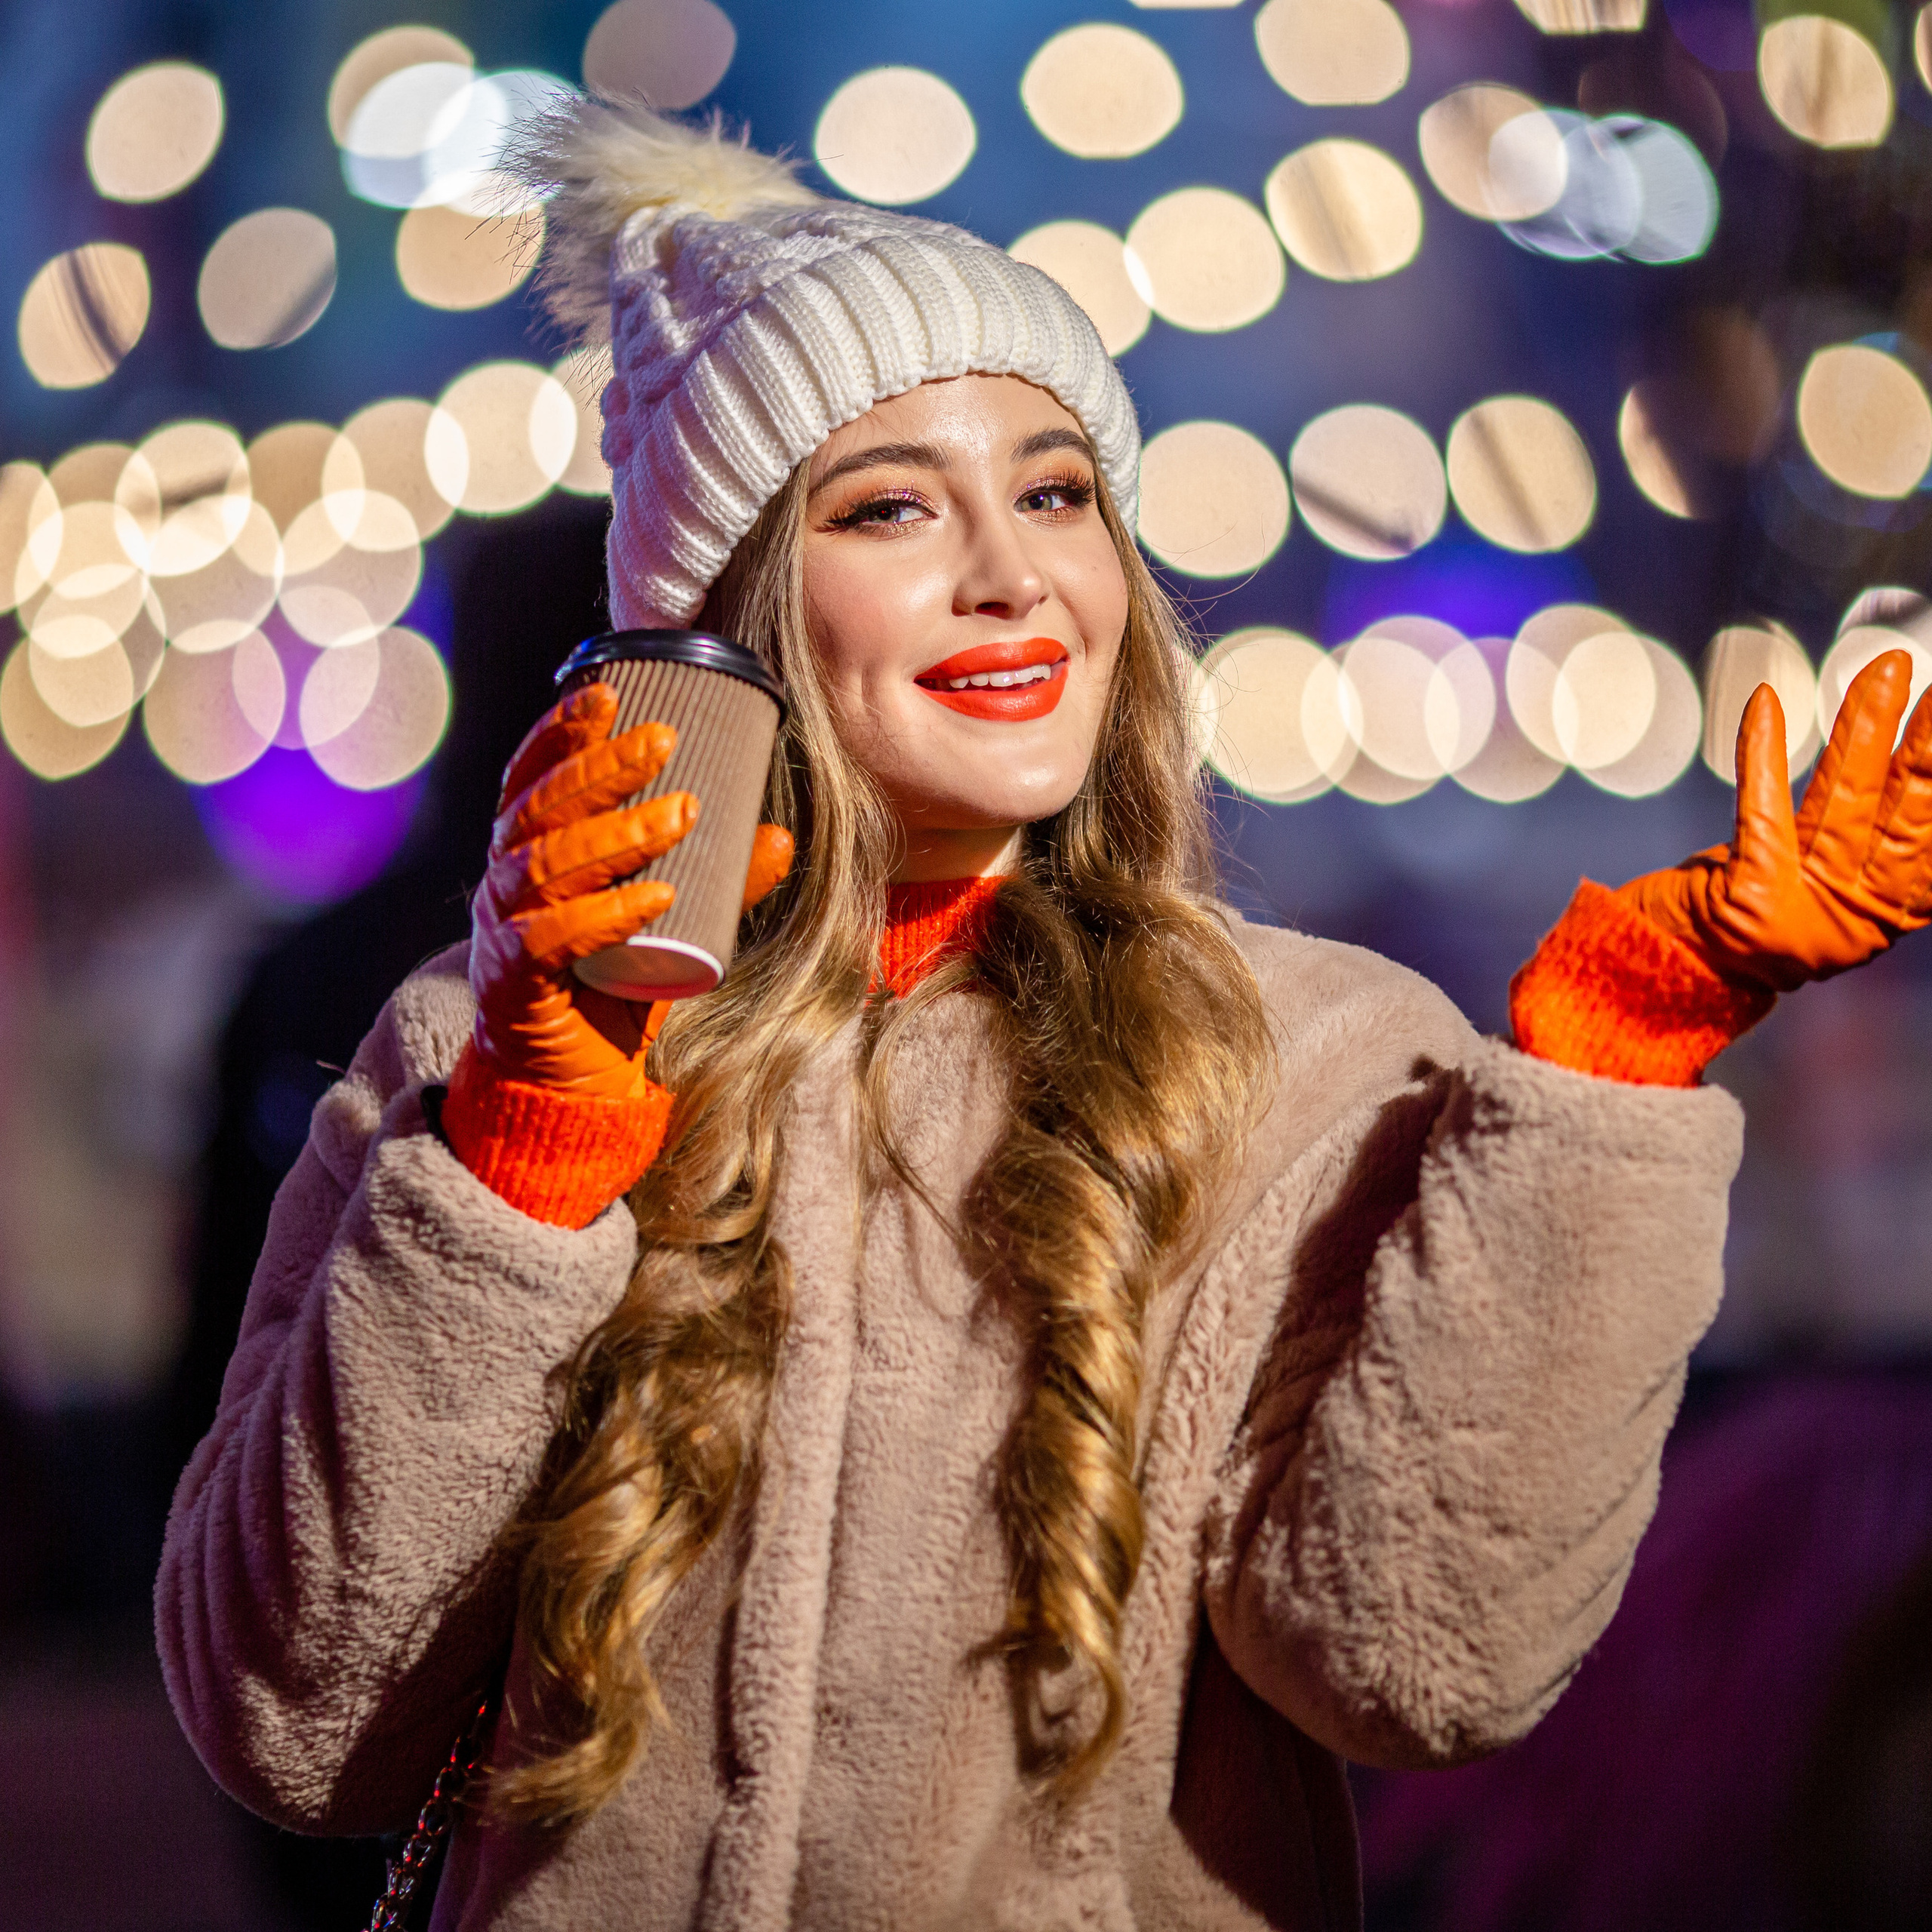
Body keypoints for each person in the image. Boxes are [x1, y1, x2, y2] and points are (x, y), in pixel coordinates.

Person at [155, 100, 1932, 1930]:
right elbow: (298, 1727)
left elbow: (1419, 1666)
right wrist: (524, 1168)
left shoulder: (1307, 1061)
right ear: (727, 622)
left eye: (1059, 489)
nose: (1011, 570)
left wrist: (1603, 1074)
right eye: (891, 504)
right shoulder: (477, 1055)